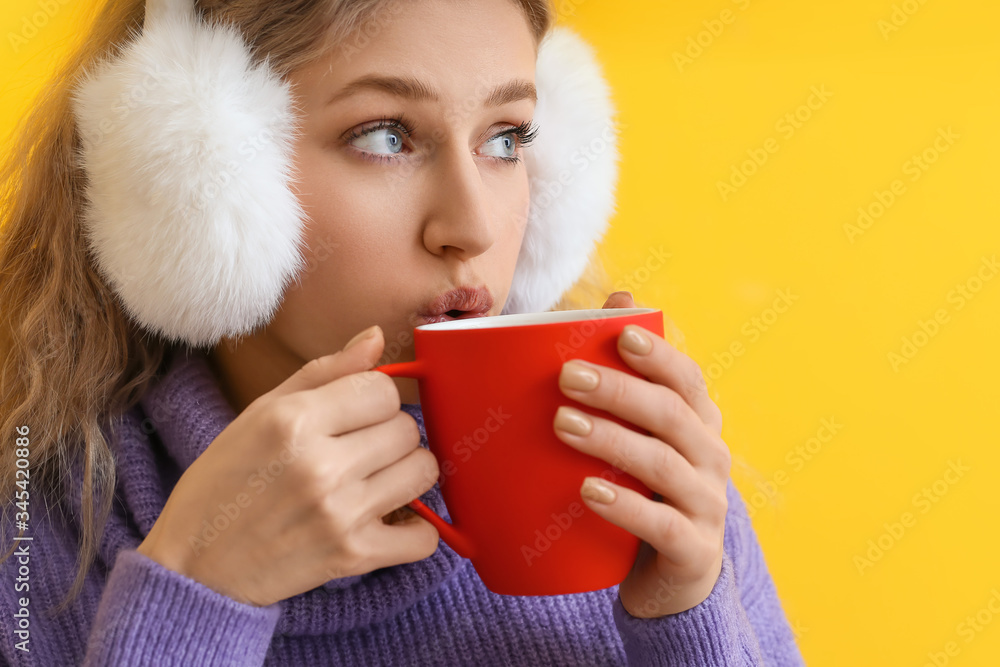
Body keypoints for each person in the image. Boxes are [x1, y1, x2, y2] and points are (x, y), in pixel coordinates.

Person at [0, 0, 806, 664]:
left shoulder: (633, 463)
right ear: (192, 174)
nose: (474, 226)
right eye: (387, 135)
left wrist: (690, 620)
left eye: (506, 139)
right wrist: (194, 600)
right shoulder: (31, 529)